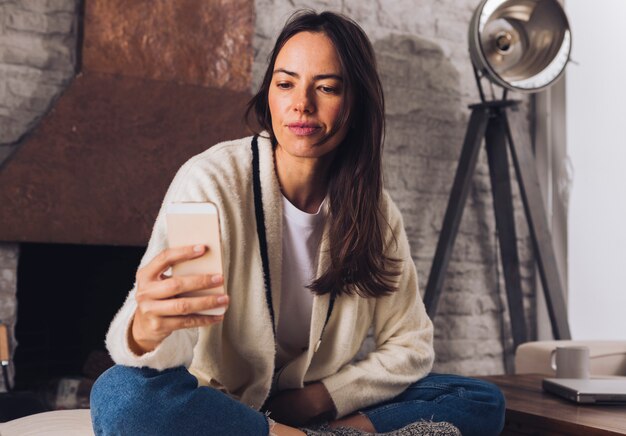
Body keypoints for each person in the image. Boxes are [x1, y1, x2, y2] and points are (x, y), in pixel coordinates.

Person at [90, 10, 505, 436]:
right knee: (122, 394)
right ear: (269, 93)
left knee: (480, 399)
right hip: (220, 405)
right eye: (285, 83)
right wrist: (146, 330)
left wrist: (318, 399)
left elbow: (411, 344)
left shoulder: (376, 215)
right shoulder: (211, 181)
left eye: (326, 88)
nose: (301, 104)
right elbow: (174, 336)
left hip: (307, 408)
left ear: (356, 102)